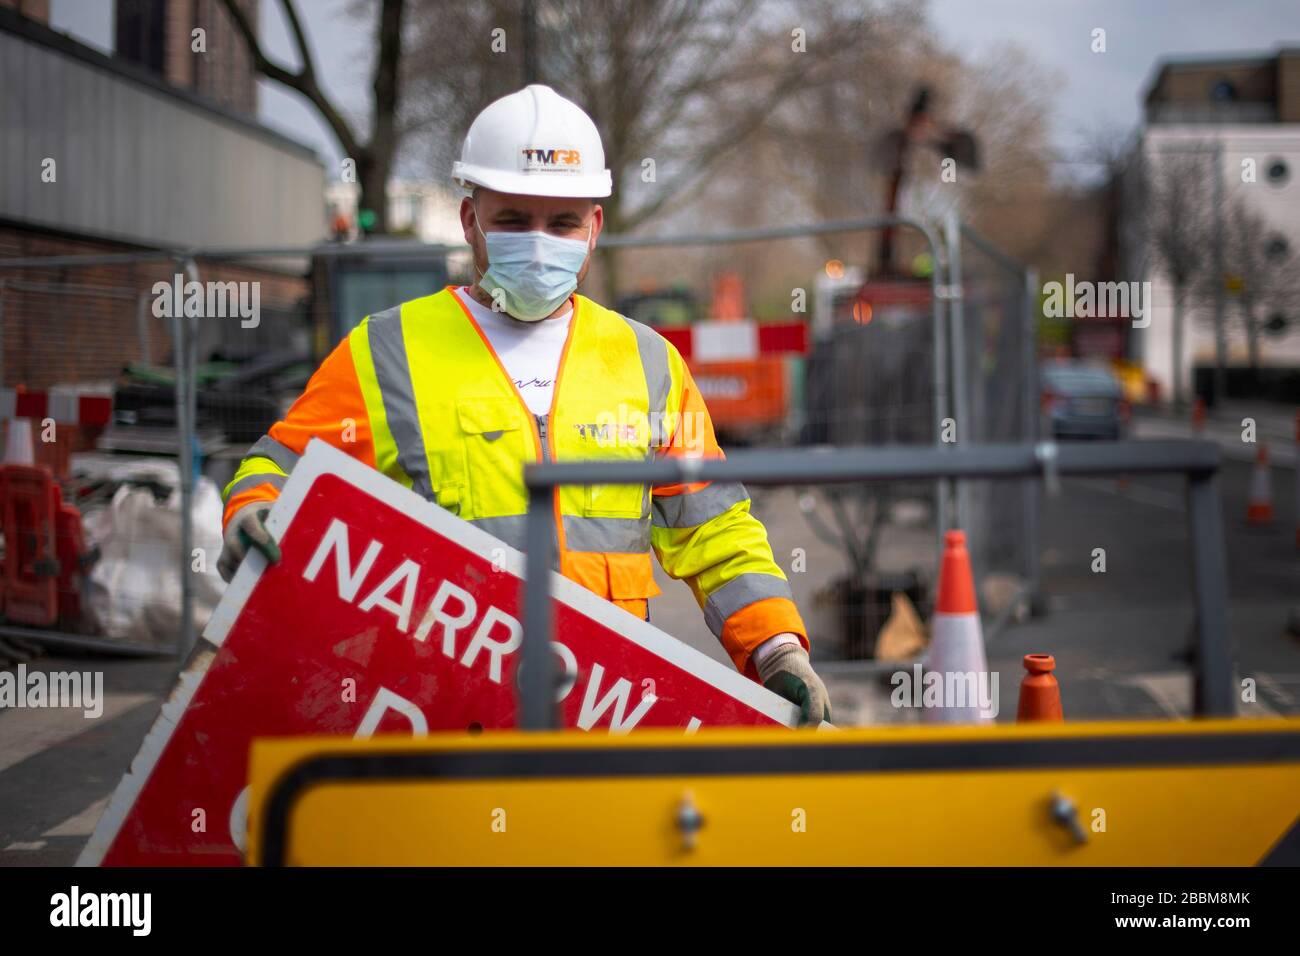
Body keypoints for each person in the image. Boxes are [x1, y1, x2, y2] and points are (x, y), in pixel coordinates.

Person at [217, 85, 829, 724]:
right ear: (469, 219)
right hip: (441, 714)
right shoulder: (387, 351)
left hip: (602, 710)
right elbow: (282, 467)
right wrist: (253, 512)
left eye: (562, 222)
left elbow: (713, 527)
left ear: (593, 227)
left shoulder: (646, 364)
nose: (539, 242)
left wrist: (777, 648)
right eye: (512, 219)